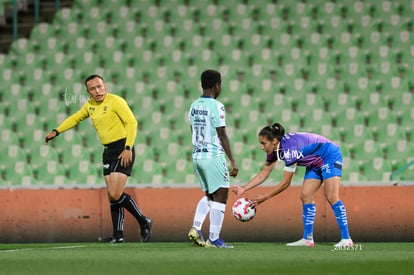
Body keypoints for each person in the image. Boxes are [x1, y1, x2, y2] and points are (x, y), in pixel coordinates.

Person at [44, 74, 152, 243]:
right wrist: (56, 131)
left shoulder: (116, 101)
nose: (98, 91)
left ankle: (144, 221)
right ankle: (118, 235)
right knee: (112, 196)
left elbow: (132, 123)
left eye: (100, 86)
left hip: (123, 148)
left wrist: (128, 147)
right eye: (93, 89)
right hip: (108, 151)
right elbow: (75, 118)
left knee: (115, 193)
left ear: (105, 86)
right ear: (88, 92)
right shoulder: (90, 106)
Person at [233, 123, 353, 248]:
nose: (262, 147)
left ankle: (346, 239)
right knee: (306, 196)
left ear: (274, 141)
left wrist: (265, 197)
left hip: (329, 155)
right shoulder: (275, 150)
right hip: (315, 162)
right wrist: (244, 188)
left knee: (331, 196)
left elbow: (286, 183)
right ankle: (307, 239)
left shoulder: (289, 149)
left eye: (263, 143)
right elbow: (265, 172)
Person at [187, 69, 239, 248]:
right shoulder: (217, 106)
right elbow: (222, 134)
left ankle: (196, 228)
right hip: (213, 156)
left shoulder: (194, 105)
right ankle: (214, 239)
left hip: (197, 155)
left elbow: (192, 131)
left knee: (211, 195)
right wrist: (232, 161)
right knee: (222, 195)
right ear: (217, 85)